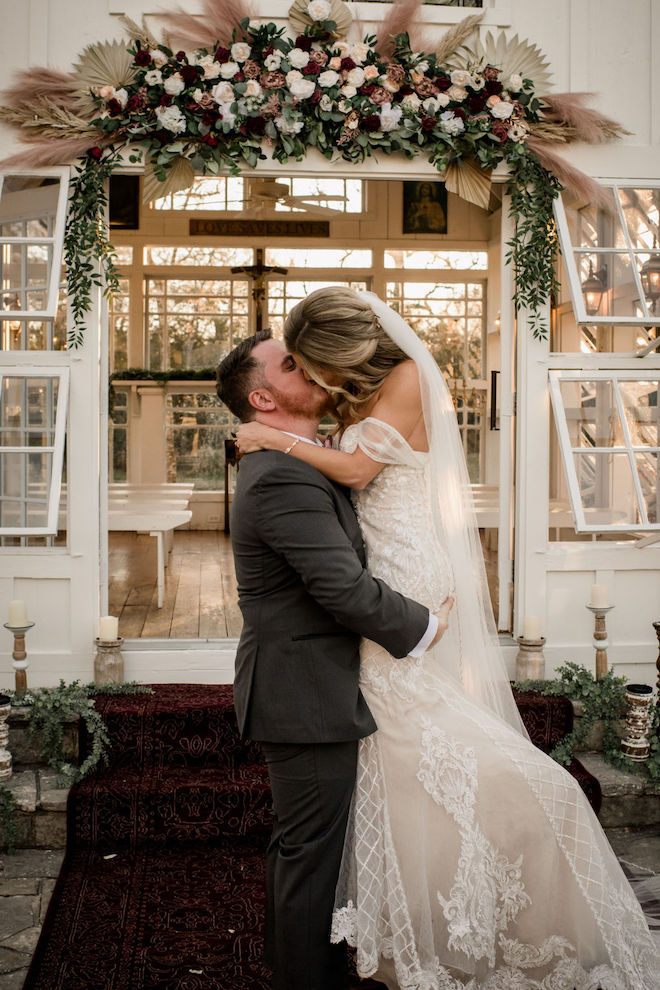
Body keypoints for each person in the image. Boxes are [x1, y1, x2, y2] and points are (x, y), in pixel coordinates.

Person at [235, 288, 660, 990]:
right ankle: (418, 917)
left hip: (402, 579)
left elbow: (358, 470)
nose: (312, 378)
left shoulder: (402, 379)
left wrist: (273, 437)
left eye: (314, 365)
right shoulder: (355, 397)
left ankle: (484, 897)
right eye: (297, 369)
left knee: (428, 738)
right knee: (402, 754)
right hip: (384, 581)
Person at [215, 329, 453, 990]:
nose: (310, 366)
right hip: (304, 691)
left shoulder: (297, 459)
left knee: (307, 849)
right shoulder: (281, 477)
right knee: (310, 854)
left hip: (314, 683)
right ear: (263, 397)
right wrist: (427, 624)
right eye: (291, 363)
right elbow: (341, 589)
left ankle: (302, 967)